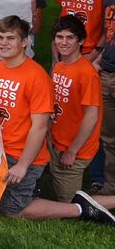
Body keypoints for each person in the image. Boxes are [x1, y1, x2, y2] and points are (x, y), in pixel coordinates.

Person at [0, 15, 115, 223]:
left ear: (24, 42)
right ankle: (35, 189)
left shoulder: (44, 75)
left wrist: (26, 164)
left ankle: (89, 208)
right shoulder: (0, 68)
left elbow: (85, 116)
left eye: (10, 38)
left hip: (54, 149)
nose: (3, 43)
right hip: (42, 142)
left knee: (65, 202)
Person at [48, 16, 102, 201]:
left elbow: (91, 117)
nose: (63, 42)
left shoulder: (87, 73)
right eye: (59, 37)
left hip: (74, 148)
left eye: (70, 37)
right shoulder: (60, 66)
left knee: (69, 203)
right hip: (56, 139)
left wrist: (72, 151)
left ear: (81, 41)